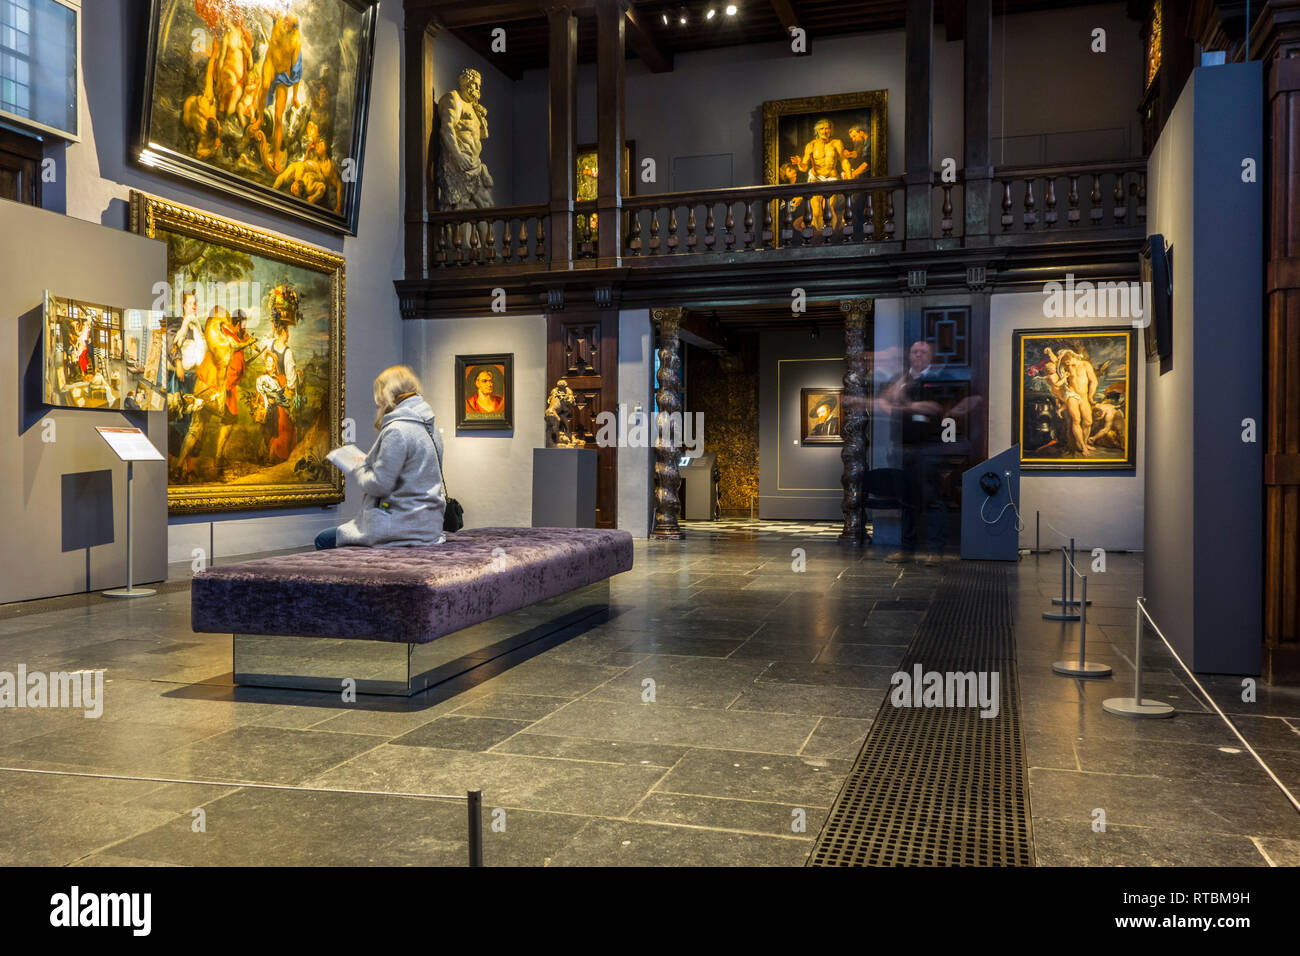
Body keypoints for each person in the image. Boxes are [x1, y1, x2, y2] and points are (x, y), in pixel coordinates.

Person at [315, 366, 448, 550]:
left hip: (400, 525)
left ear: (386, 393)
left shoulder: (397, 430)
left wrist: (357, 466)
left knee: (323, 539)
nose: (377, 402)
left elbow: (379, 485)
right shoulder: (430, 427)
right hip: (429, 525)